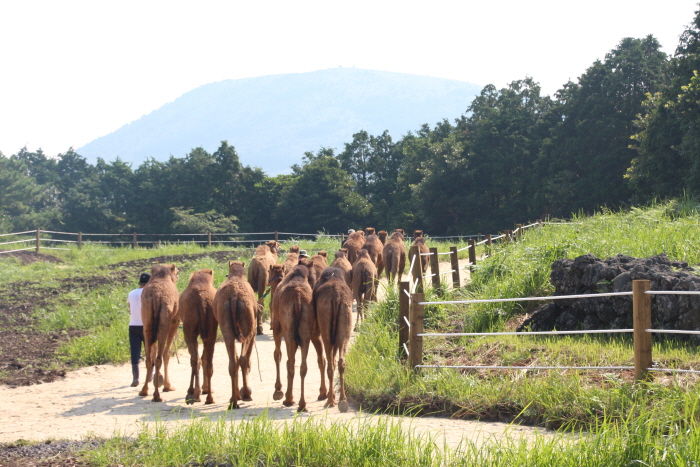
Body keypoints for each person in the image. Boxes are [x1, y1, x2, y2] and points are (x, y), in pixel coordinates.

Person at [127, 272, 150, 387]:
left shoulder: (131, 293)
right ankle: (150, 374)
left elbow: (130, 308)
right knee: (149, 350)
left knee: (135, 352)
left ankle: (135, 378)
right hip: (146, 325)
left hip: (133, 325)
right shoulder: (149, 293)